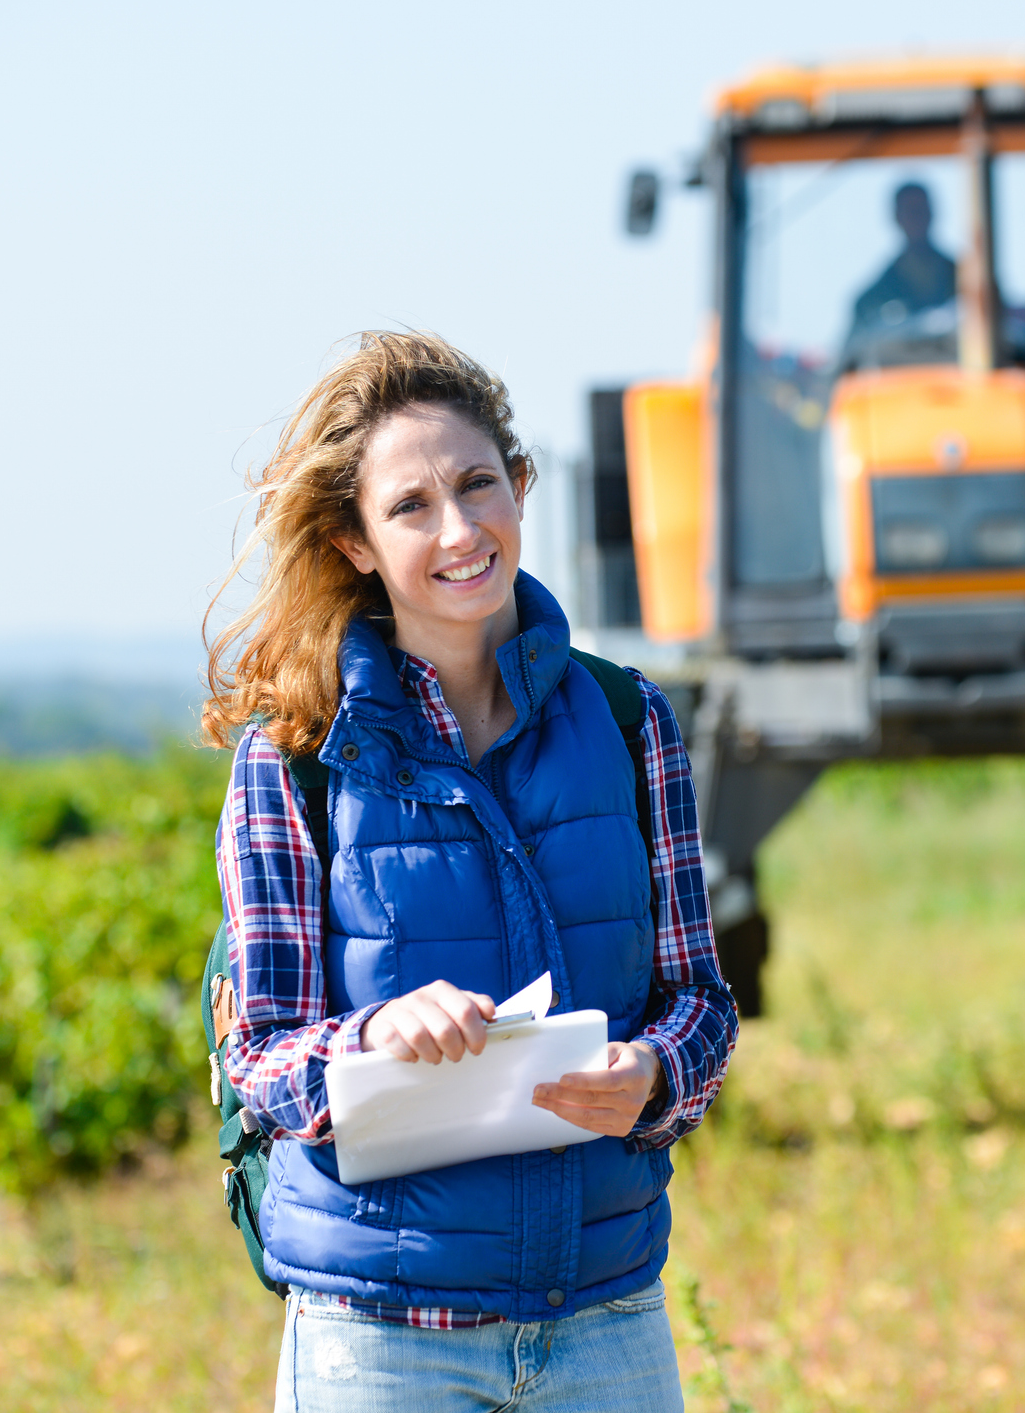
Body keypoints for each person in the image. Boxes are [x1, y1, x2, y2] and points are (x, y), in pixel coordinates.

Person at [201, 331, 736, 1411]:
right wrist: (372, 1037)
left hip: (605, 1318)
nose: (459, 529)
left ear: (521, 485)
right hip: (380, 1340)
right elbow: (256, 1055)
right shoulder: (293, 754)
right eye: (409, 506)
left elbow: (703, 1009)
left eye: (478, 484)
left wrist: (655, 1077)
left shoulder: (633, 724)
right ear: (354, 541)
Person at [847, 181, 958, 349]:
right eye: (911, 212)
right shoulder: (871, 302)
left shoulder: (974, 286)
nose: (917, 218)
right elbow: (852, 358)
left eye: (922, 211)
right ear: (897, 218)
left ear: (932, 214)